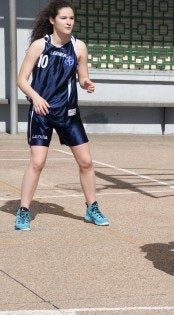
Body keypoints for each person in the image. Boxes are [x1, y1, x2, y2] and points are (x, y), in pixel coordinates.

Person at [15, 0, 109, 231]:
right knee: (37, 162)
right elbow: (21, 80)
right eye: (64, 18)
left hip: (68, 113)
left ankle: (92, 207)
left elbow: (82, 76)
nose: (69, 22)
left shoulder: (79, 47)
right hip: (42, 112)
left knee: (86, 162)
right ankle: (23, 210)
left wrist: (86, 83)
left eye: (71, 18)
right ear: (52, 20)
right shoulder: (40, 46)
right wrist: (35, 98)